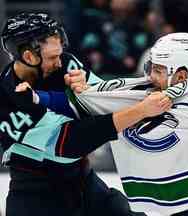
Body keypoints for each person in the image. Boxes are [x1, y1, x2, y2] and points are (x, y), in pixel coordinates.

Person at [21, 33, 188, 216]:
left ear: (181, 73)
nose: (150, 75)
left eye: (158, 69)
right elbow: (77, 103)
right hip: (155, 211)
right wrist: (34, 96)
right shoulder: (140, 91)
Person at [0, 13, 172, 216]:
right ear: (29, 56)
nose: (59, 62)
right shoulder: (6, 102)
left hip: (83, 181)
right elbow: (73, 141)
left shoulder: (65, 62)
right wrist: (140, 111)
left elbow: (107, 98)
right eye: (53, 57)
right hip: (37, 197)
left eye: (60, 54)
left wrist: (91, 92)